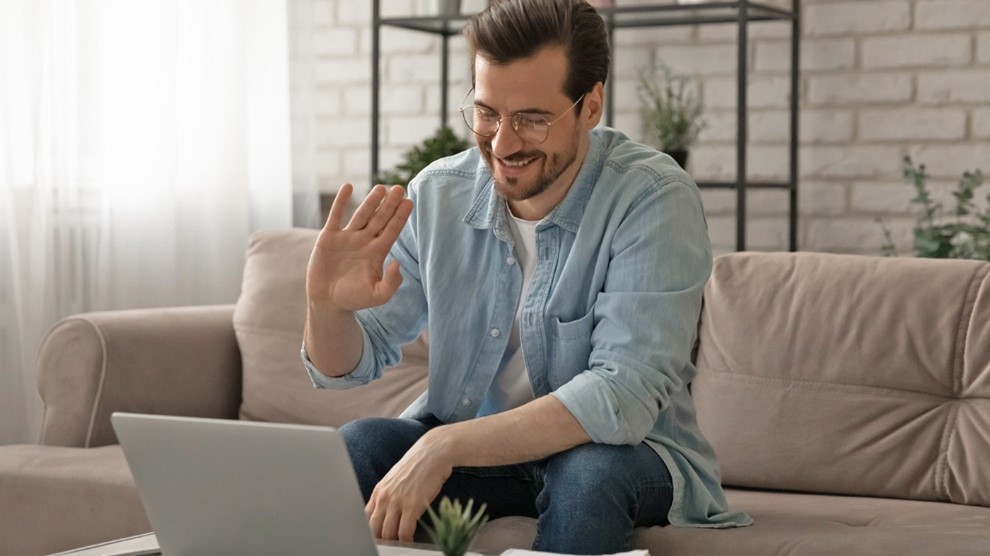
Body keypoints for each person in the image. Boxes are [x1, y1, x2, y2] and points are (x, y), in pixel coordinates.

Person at [301, 0, 751, 552]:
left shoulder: (652, 199)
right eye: (488, 112)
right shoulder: (438, 195)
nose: (503, 143)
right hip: (482, 458)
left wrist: (444, 447)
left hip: (624, 455)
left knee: (587, 476)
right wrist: (328, 308)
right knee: (361, 444)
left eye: (532, 119)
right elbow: (345, 369)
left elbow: (622, 395)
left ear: (591, 105)